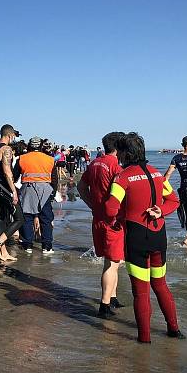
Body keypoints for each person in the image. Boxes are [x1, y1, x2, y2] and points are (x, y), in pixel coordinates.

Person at [104, 132, 183, 344]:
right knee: (160, 284)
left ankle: (144, 340)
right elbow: (174, 201)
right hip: (159, 236)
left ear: (124, 153)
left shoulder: (122, 177)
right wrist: (161, 211)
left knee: (141, 292)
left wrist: (117, 214)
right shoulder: (157, 173)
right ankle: (174, 331)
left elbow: (111, 208)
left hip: (137, 238)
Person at [78, 132, 126, 318]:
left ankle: (112, 297)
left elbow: (82, 188)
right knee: (113, 263)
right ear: (118, 148)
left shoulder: (94, 163)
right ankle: (104, 305)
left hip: (97, 218)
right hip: (112, 220)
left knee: (112, 260)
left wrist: (92, 204)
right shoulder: (116, 167)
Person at [0, 124, 24, 262]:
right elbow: (7, 172)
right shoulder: (6, 149)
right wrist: (13, 191)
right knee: (20, 218)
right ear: (10, 135)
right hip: (4, 186)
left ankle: (3, 252)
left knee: (0, 219)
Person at [18, 136, 58, 255]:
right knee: (46, 218)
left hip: (28, 189)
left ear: (29, 146)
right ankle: (47, 246)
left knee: (27, 217)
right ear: (41, 147)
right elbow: (54, 179)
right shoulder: (50, 159)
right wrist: (53, 194)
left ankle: (28, 245)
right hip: (45, 189)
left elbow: (15, 176)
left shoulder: (22, 158)